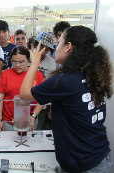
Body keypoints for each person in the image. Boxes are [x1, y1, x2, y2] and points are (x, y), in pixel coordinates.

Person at [20, 26, 113, 173]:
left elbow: (24, 94)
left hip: (83, 165)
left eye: (59, 41)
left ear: (68, 46)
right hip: (98, 157)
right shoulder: (92, 74)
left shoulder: (65, 81)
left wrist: (35, 62)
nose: (55, 46)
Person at [0, 46, 44, 131]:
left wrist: (34, 115)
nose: (17, 65)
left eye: (21, 62)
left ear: (28, 60)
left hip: (29, 120)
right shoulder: (6, 74)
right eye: (14, 61)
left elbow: (42, 98)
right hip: (9, 121)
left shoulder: (36, 74)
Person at [33, 32, 56, 130]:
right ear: (35, 43)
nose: (43, 51)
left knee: (38, 129)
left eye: (46, 49)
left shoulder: (51, 62)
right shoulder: (25, 56)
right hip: (25, 101)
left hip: (42, 103)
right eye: (41, 46)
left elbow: (51, 85)